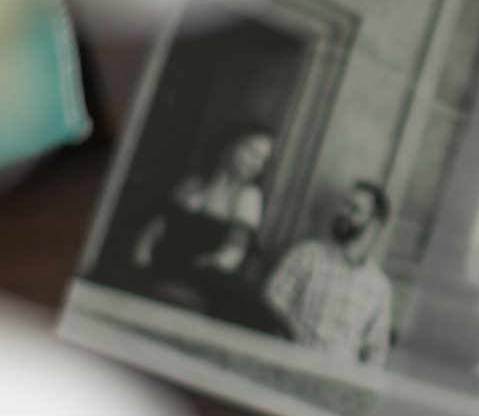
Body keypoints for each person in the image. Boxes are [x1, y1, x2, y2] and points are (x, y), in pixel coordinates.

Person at [262, 181, 394, 366]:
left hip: (341, 377)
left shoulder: (380, 287)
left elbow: (376, 352)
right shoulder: (306, 255)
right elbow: (270, 307)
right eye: (344, 204)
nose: (343, 212)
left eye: (354, 209)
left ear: (374, 224)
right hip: (292, 361)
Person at [131, 127, 274, 285]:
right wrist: (141, 264)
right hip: (155, 270)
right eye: (252, 152)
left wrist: (185, 276)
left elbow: (230, 258)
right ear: (229, 144)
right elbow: (151, 232)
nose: (256, 164)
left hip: (200, 280)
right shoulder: (190, 184)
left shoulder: (248, 195)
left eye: (263, 159)